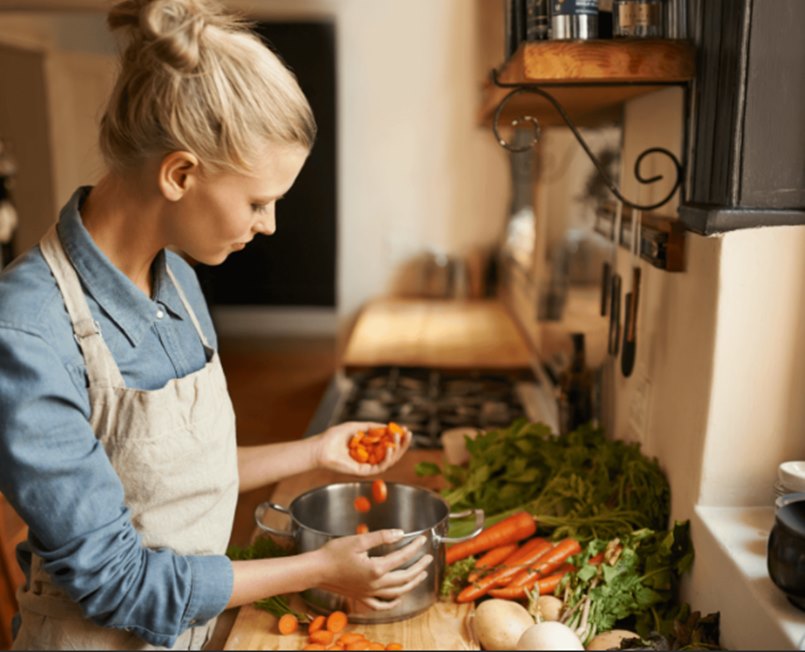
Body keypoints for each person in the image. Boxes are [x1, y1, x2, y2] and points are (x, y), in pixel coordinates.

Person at [0, 0, 431, 649]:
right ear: (179, 173)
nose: (270, 224)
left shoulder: (178, 280)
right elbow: (118, 582)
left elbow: (158, 472)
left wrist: (315, 452)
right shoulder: (28, 331)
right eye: (259, 202)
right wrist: (320, 569)